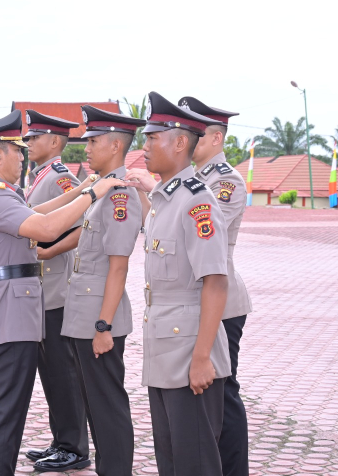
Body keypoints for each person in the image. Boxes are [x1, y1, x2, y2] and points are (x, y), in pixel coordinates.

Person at [0, 110, 124, 476]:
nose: (23, 156)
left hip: (1, 313)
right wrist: (95, 192)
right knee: (5, 414)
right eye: (17, 150)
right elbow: (47, 227)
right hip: (11, 316)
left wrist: (81, 190)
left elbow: (33, 210)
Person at [139, 91, 230, 476]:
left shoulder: (197, 202)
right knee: (172, 461)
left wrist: (201, 357)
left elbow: (215, 283)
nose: (144, 147)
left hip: (190, 349)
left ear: (179, 143)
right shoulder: (163, 199)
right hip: (163, 347)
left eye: (151, 138)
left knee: (195, 464)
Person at [59, 105, 145, 476]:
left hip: (99, 316)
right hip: (84, 310)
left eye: (93, 142)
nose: (86, 149)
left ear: (114, 145)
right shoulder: (101, 189)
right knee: (95, 405)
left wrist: (104, 326)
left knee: (107, 406)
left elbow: (118, 264)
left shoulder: (119, 195)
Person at [23, 110, 90, 473]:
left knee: (62, 371)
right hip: (41, 289)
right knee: (50, 371)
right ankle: (61, 439)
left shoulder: (63, 178)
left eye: (35, 138)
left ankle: (75, 447)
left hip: (57, 288)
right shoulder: (39, 176)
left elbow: (83, 224)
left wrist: (48, 251)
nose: (29, 144)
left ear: (54, 142)